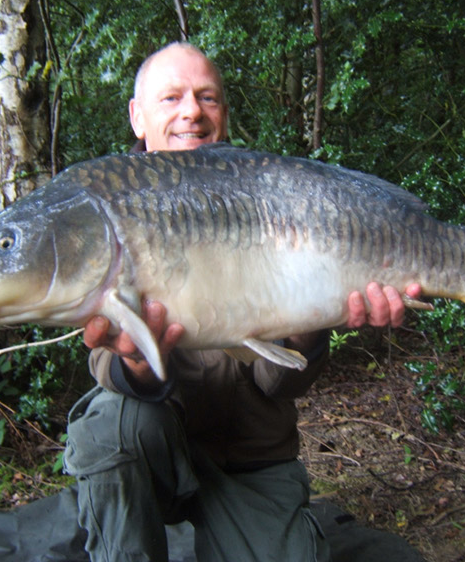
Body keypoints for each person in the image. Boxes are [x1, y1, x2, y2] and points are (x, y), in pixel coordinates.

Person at [63, 42, 422, 562]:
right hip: (158, 449)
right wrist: (140, 358)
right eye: (172, 98)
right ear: (138, 116)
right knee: (110, 425)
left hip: (252, 456)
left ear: (223, 115)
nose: (192, 111)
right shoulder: (109, 205)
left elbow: (281, 379)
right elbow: (108, 368)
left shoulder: (271, 193)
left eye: (207, 97)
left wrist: (315, 321)